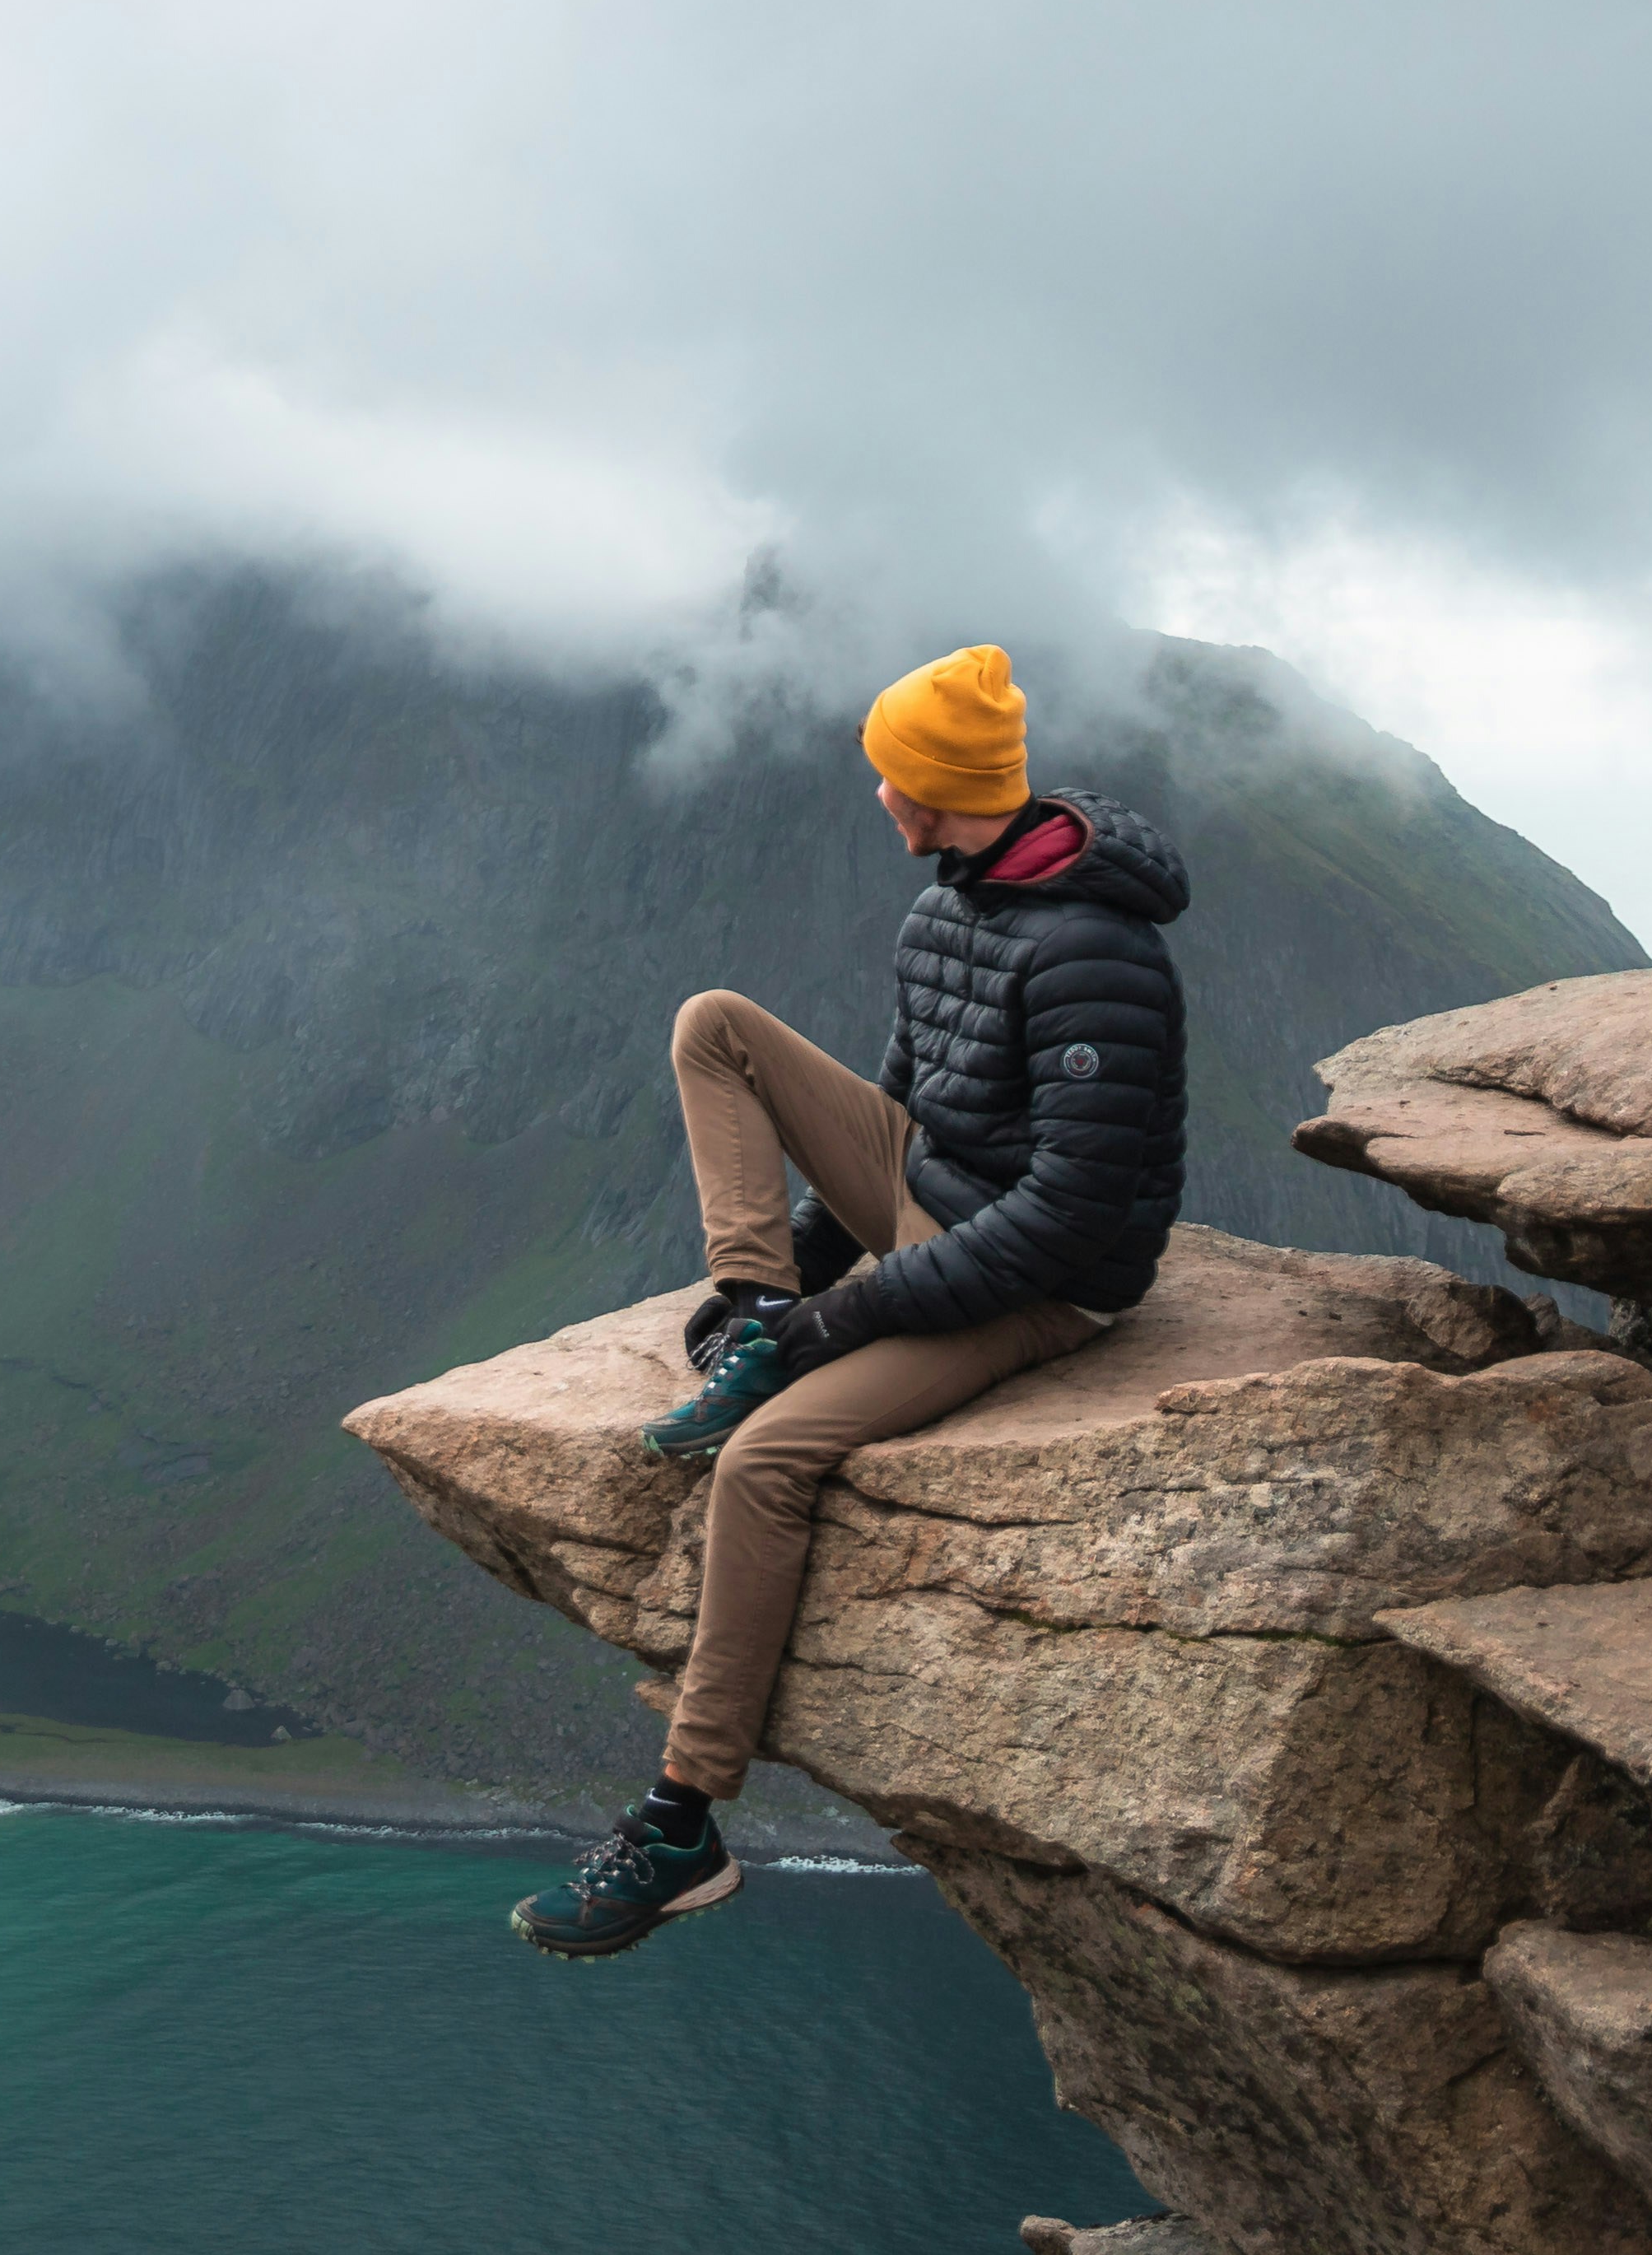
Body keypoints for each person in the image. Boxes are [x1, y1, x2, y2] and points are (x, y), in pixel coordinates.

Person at [510, 643, 1192, 1957]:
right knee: (716, 1021)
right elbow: (899, 1120)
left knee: (765, 1457)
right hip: (938, 1207)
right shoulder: (945, 908)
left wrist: (842, 1326)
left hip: (1052, 1282)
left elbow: (1070, 1217)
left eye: (893, 773)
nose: (877, 792)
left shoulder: (1098, 956)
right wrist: (793, 1284)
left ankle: (681, 1823)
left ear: (936, 787)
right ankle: (750, 1308)